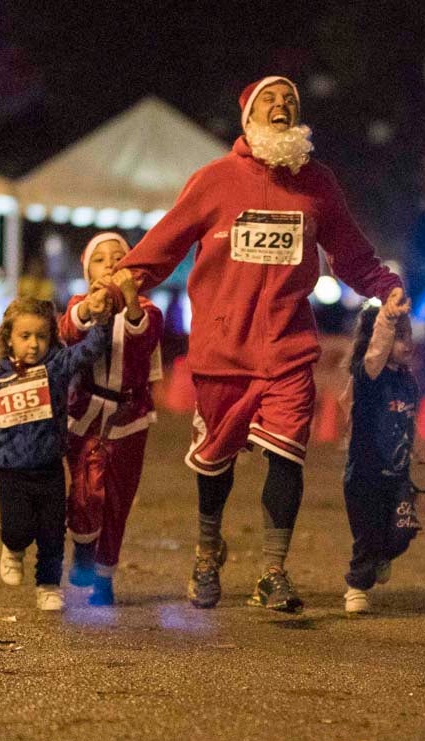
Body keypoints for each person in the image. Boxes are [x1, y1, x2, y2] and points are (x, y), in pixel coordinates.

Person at [96, 75, 404, 613]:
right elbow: (163, 243)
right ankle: (208, 551)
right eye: (270, 101)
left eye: (290, 101)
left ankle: (272, 571)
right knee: (215, 464)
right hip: (222, 351)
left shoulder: (318, 184)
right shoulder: (213, 180)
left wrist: (386, 287)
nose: (282, 106)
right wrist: (118, 283)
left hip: (288, 349)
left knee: (287, 458)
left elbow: (350, 254)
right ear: (248, 118)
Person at [0, 295, 113, 612]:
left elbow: (90, 351)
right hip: (11, 471)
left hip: (50, 466)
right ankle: (12, 549)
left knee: (53, 532)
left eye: (41, 336)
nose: (34, 345)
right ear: (8, 338)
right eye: (25, 337)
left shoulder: (57, 367)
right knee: (17, 527)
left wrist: (102, 322)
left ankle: (48, 586)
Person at [58, 233, 165, 606]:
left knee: (118, 498)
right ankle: (83, 545)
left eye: (119, 257)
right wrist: (90, 308)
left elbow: (142, 338)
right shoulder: (79, 305)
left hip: (129, 418)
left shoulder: (148, 310)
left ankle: (104, 576)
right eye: (100, 259)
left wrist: (129, 300)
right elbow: (69, 329)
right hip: (85, 415)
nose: (111, 264)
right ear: (88, 271)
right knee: (85, 491)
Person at [341, 293, 425, 614]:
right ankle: (357, 587)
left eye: (409, 336)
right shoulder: (369, 377)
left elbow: (407, 423)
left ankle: (380, 559)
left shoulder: (407, 382)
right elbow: (375, 353)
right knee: (368, 535)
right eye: (400, 337)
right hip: (364, 477)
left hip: (398, 478)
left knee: (403, 532)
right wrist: (387, 318)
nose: (408, 343)